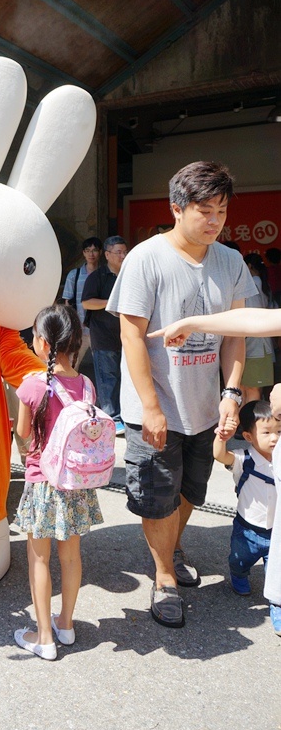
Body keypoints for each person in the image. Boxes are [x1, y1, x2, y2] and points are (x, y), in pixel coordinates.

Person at [106, 161, 256, 628]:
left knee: (190, 488)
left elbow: (237, 333)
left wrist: (231, 392)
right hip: (155, 407)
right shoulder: (146, 258)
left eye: (222, 211)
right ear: (176, 208)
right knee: (157, 495)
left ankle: (171, 546)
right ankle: (165, 576)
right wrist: (149, 406)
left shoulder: (230, 260)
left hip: (203, 405)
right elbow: (131, 336)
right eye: (204, 210)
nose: (214, 221)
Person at [149, 311, 281, 636]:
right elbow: (250, 321)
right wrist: (194, 324)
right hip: (248, 528)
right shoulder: (247, 456)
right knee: (242, 560)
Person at [13, 304, 103, 660]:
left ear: (44, 343)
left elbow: (23, 434)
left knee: (38, 559)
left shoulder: (33, 386)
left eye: (35, 335)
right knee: (71, 557)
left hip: (43, 483)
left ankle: (44, 637)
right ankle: (65, 623)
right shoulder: (87, 385)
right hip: (77, 486)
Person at [212, 400, 278, 607]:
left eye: (279, 431)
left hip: (277, 531)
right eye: (266, 433)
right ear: (249, 436)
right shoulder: (244, 459)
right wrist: (222, 437)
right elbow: (219, 455)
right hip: (247, 529)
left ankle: (276, 604)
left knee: (277, 574)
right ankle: (239, 575)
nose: (275, 438)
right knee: (239, 560)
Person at [81, 236, 128, 436]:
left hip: (128, 337)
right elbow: (86, 303)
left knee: (127, 378)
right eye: (118, 252)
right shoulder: (97, 277)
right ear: (107, 255)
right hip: (104, 336)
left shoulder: (130, 275)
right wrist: (112, 302)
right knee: (108, 378)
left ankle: (125, 415)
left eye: (125, 252)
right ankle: (112, 417)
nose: (123, 256)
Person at [62, 236, 102, 367]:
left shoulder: (105, 274)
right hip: (79, 328)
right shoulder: (75, 275)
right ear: (83, 253)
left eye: (95, 250)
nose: (91, 254)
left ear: (100, 252)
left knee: (104, 367)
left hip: (100, 329)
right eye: (88, 250)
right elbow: (68, 302)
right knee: (72, 364)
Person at [241, 253, 275, 403]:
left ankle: (251, 423)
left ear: (248, 266)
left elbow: (252, 316)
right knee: (250, 388)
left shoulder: (253, 284)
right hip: (260, 346)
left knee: (250, 388)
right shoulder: (262, 283)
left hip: (254, 347)